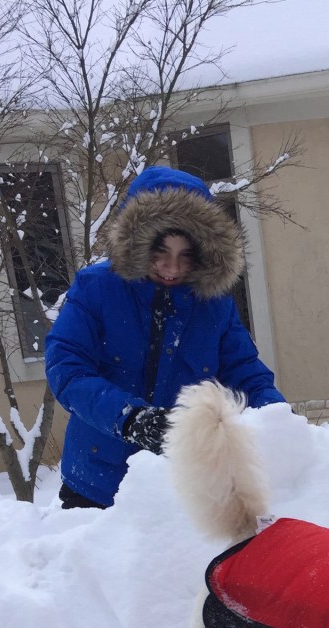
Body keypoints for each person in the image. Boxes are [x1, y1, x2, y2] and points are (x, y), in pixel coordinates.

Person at [45, 165, 288, 509]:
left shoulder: (213, 305)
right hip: (96, 485)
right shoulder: (96, 289)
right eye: (161, 252)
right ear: (137, 243)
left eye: (185, 256)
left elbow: (245, 372)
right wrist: (130, 418)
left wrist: (278, 422)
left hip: (181, 485)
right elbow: (67, 369)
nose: (172, 269)